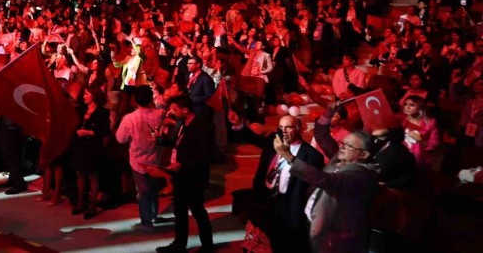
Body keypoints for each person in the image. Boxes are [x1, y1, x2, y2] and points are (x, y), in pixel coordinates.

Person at [228, 111, 325, 253]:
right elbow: (253, 139)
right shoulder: (274, 141)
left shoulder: (311, 156)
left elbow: (313, 182)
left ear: (300, 129)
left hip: (289, 205)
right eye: (281, 127)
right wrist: (238, 125)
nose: (283, 131)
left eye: (288, 127)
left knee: (284, 243)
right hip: (266, 197)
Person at [275, 129, 380, 253]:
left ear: (363, 155)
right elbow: (322, 136)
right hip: (311, 222)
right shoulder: (340, 159)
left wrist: (289, 157)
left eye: (349, 146)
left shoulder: (360, 176)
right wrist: (328, 116)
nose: (342, 147)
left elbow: (326, 180)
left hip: (331, 237)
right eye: (343, 143)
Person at [156, 95, 214, 253]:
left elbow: (205, 154)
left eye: (175, 109)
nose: (172, 112)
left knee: (197, 211)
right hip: (180, 175)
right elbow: (176, 143)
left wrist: (183, 163)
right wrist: (161, 138)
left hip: (194, 177)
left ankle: (207, 246)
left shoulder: (201, 126)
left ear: (186, 110)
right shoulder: (181, 124)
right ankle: (179, 244)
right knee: (179, 211)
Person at [115, 86, 164, 232]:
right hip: (155, 159)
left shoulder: (129, 118)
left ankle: (147, 222)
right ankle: (154, 215)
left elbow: (120, 138)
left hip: (137, 160)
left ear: (135, 100)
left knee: (143, 191)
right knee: (153, 187)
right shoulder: (160, 114)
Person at [70, 87, 111, 219]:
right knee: (79, 173)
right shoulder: (80, 110)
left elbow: (105, 132)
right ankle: (80, 201)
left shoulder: (103, 112)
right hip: (79, 145)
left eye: (87, 94)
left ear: (94, 95)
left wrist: (88, 132)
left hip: (93, 146)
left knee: (93, 175)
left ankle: (92, 205)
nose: (84, 96)